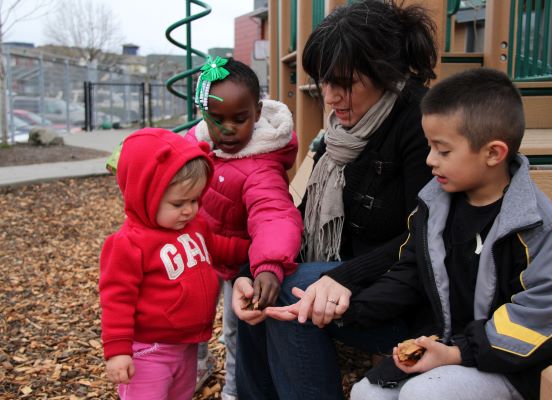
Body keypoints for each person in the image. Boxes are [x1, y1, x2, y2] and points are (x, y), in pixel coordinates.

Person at [280, 68, 552, 400]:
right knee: (366, 394)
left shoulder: (542, 232)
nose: (430, 160)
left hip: (518, 367)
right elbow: (410, 273)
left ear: (493, 153)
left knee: (423, 394)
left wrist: (458, 352)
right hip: (445, 346)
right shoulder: (436, 209)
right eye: (430, 147)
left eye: (443, 151)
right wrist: (348, 307)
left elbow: (542, 314)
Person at [233, 1, 437, 398]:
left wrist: (338, 277)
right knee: (264, 287)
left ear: (384, 73)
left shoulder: (422, 123)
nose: (329, 97)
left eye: (344, 83)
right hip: (354, 276)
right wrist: (252, 269)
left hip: (405, 297)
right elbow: (302, 214)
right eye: (323, 81)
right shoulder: (341, 134)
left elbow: (426, 235)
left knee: (292, 292)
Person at [99, 128, 250, 400]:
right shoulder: (128, 243)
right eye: (178, 203)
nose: (189, 210)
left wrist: (254, 250)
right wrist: (118, 350)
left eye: (194, 200)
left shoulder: (194, 227)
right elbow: (117, 299)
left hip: (187, 346)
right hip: (148, 353)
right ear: (144, 195)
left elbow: (218, 247)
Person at [185, 57, 303, 400]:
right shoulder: (199, 145)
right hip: (203, 252)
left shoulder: (261, 166)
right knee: (189, 313)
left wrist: (268, 264)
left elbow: (274, 215)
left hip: (241, 264)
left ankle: (235, 392)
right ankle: (199, 362)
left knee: (236, 331)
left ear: (257, 112)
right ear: (204, 116)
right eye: (217, 120)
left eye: (239, 119)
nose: (228, 130)